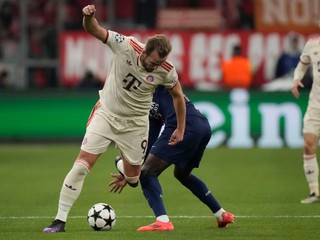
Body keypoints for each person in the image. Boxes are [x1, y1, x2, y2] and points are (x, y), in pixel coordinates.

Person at [43, 4, 186, 233]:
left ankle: (123, 166)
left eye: (159, 64)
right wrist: (88, 17)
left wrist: (180, 127)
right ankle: (59, 221)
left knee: (133, 179)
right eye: (153, 62)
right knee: (81, 166)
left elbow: (178, 96)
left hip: (136, 124)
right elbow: (94, 30)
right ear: (144, 51)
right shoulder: (125, 45)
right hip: (107, 114)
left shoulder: (166, 70)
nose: (155, 67)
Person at [110, 85, 235, 231]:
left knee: (147, 173)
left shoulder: (158, 83)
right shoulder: (149, 102)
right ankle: (221, 214)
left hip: (183, 126)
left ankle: (162, 221)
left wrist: (134, 171)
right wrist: (130, 173)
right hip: (201, 126)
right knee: (182, 174)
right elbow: (149, 142)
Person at [291, 35, 320, 204]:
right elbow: (302, 66)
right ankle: (314, 192)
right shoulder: (312, 44)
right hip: (316, 104)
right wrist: (296, 80)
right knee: (308, 145)